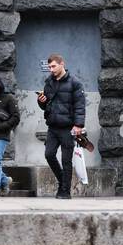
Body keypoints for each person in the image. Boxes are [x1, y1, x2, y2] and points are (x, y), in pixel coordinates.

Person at [36, 54, 86, 199]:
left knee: (66, 160)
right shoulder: (49, 82)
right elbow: (45, 105)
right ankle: (62, 181)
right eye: (49, 67)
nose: (51, 69)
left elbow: (80, 106)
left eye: (53, 66)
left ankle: (65, 191)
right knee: (49, 154)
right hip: (52, 126)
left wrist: (78, 125)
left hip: (67, 127)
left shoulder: (75, 83)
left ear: (62, 64)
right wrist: (42, 101)